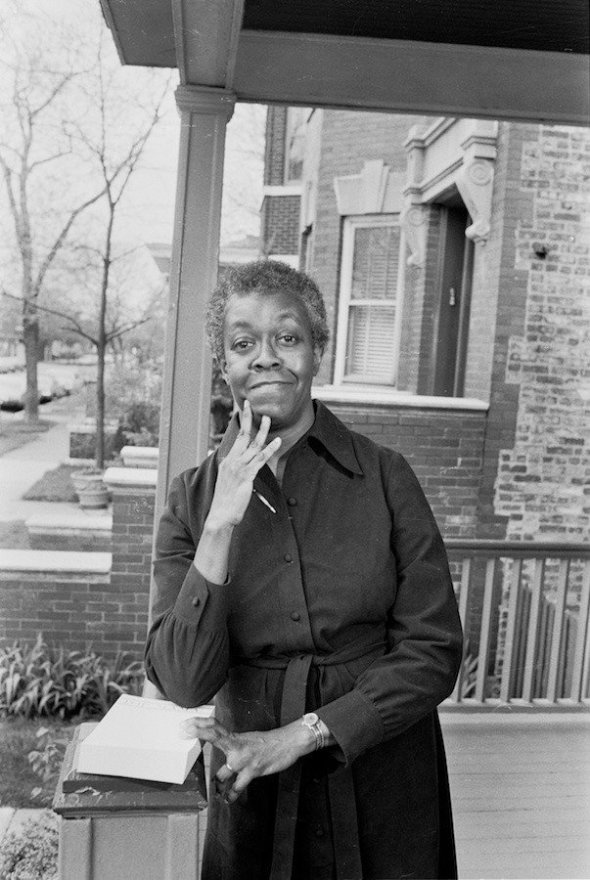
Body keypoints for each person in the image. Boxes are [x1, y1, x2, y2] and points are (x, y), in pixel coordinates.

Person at [145, 260, 463, 880]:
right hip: (253, 796)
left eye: (286, 338)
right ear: (225, 365)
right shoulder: (189, 501)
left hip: (383, 784)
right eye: (243, 344)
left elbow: (434, 649)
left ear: (318, 352)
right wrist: (219, 527)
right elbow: (182, 684)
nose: (264, 358)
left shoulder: (386, 477)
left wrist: (303, 735)